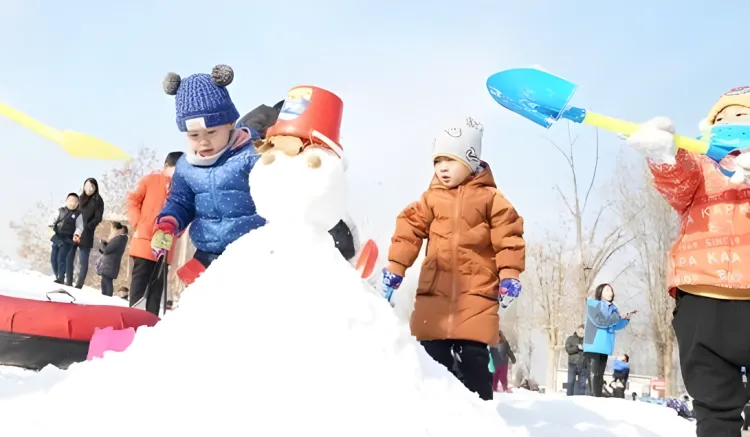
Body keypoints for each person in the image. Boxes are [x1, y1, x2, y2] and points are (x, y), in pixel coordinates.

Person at [626, 86, 750, 437]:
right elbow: (679, 187)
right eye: (723, 117)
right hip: (702, 298)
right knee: (713, 406)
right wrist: (665, 158)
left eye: (742, 114)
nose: (732, 121)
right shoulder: (700, 161)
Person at [380, 116, 525, 401]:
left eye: (451, 160)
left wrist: (510, 274)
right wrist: (396, 266)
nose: (442, 167)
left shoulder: (492, 199)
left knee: (474, 362)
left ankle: (479, 417)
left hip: (476, 294)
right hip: (434, 294)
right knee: (431, 363)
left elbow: (509, 236)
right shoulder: (430, 199)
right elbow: (408, 229)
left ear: (471, 161)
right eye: (437, 161)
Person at [153, 65, 265, 277]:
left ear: (231, 123)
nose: (203, 141)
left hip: (252, 251)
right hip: (207, 253)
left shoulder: (251, 156)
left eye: (211, 132)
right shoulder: (187, 167)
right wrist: (168, 224)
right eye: (194, 135)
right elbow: (180, 202)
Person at [126, 151, 183, 314]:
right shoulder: (150, 179)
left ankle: (150, 325)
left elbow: (185, 214)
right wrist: (138, 222)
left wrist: (177, 231)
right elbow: (132, 200)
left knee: (156, 292)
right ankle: (133, 322)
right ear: (166, 166)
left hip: (165, 246)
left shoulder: (182, 189)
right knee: (139, 287)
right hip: (145, 241)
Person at [583, 283, 635, 397]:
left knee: (600, 375)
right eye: (606, 290)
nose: (610, 292)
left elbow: (614, 325)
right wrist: (617, 317)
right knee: (593, 373)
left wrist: (625, 319)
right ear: (600, 292)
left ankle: (597, 396)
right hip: (594, 343)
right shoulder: (592, 304)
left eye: (611, 290)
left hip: (605, 345)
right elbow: (600, 321)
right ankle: (591, 397)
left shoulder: (613, 308)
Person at [66, 178, 104, 288]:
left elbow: (98, 217)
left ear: (96, 187)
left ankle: (79, 283)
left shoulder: (98, 200)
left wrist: (89, 226)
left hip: (87, 232)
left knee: (83, 259)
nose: (89, 188)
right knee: (69, 256)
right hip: (74, 231)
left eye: (92, 186)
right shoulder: (80, 198)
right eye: (87, 186)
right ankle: (68, 280)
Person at [50, 193, 84, 284]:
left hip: (68, 239)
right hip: (57, 237)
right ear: (66, 201)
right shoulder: (60, 211)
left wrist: (76, 235)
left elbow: (79, 227)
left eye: (75, 202)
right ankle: (57, 275)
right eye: (71, 201)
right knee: (53, 258)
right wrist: (51, 227)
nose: (72, 203)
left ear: (78, 204)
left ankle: (61, 277)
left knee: (61, 257)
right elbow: (52, 221)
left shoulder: (78, 215)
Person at [96, 222, 129, 297]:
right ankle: (105, 296)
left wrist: (102, 243)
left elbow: (107, 250)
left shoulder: (118, 239)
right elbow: (109, 248)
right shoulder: (121, 240)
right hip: (111, 263)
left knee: (107, 281)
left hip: (110, 263)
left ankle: (107, 297)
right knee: (105, 280)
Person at [564, 324, 586, 396]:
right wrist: (577, 348)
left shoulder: (587, 341)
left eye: (582, 332)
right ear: (577, 331)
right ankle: (569, 397)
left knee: (582, 384)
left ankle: (580, 398)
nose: (581, 333)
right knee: (570, 382)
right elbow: (568, 349)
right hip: (572, 363)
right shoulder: (570, 339)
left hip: (583, 364)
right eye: (580, 332)